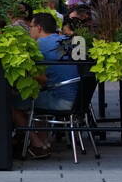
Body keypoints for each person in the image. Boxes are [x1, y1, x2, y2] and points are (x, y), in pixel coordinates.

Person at [11, 12, 79, 158]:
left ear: (39, 28)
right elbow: (56, 70)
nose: (30, 31)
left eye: (31, 27)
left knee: (14, 104)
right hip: (76, 99)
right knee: (39, 95)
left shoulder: (39, 46)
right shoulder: (66, 40)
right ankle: (44, 141)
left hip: (60, 100)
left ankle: (37, 145)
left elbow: (40, 77)